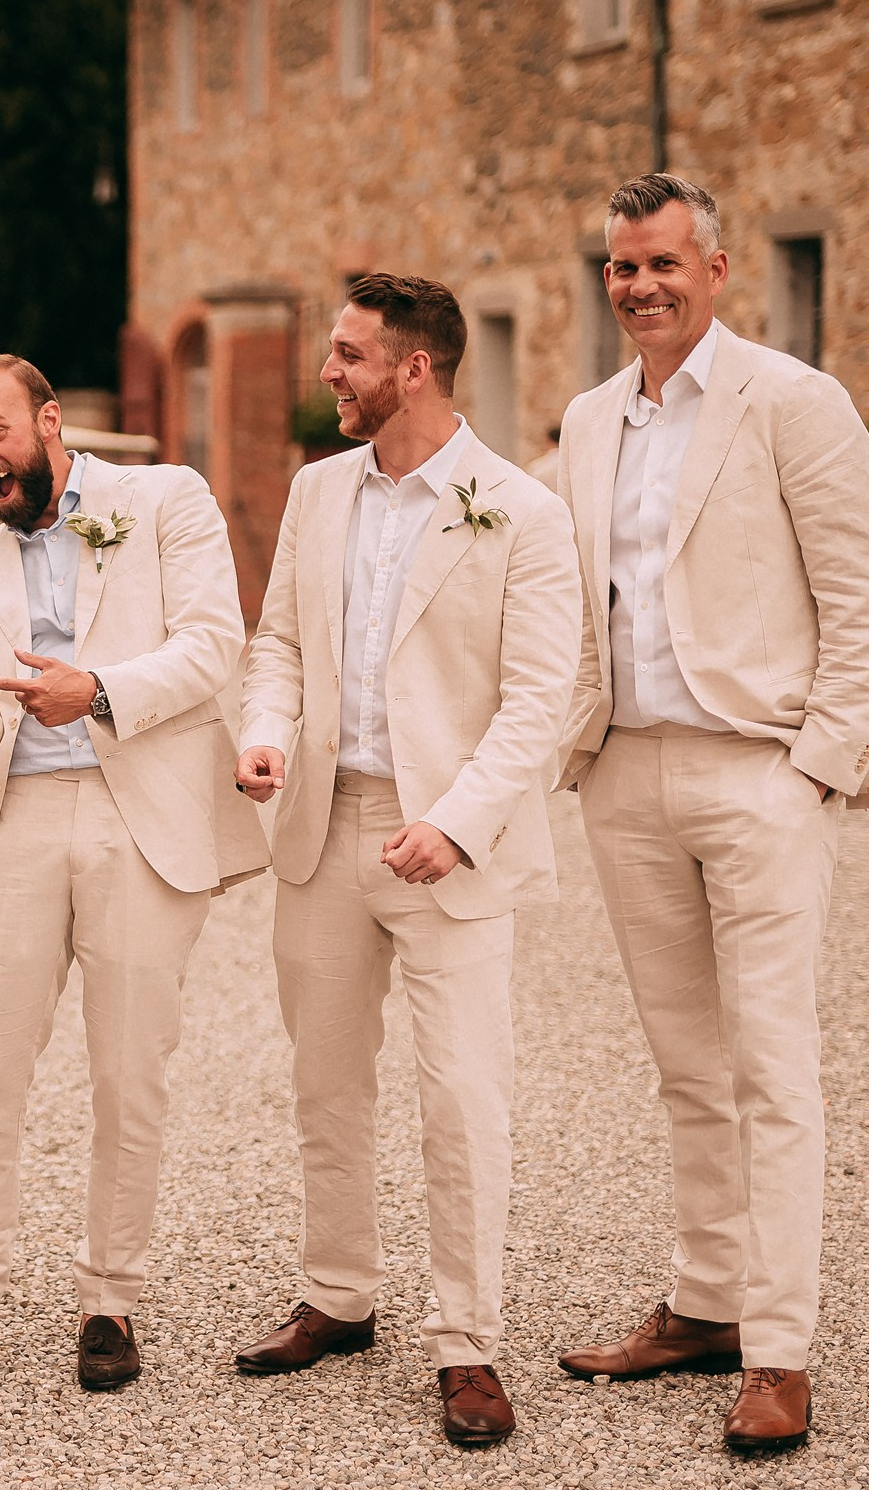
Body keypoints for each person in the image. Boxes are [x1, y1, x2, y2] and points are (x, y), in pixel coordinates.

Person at [549, 174, 869, 1454]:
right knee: (687, 1067)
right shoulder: (589, 421)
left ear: (716, 266)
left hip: (758, 768)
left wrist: (813, 767)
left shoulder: (795, 402)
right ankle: (704, 1300)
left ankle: (780, 1348)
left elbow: (866, 598)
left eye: (662, 263)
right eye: (621, 267)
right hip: (626, 773)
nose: (641, 285)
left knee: (772, 1067)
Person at [232, 275, 579, 1447]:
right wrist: (266, 736)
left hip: (450, 844)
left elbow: (542, 699)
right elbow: (276, 642)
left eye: (347, 355)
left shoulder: (520, 511)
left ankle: (467, 1344)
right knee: (326, 1079)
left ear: (414, 367)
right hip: (323, 825)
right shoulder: (319, 489)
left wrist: (460, 821)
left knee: (462, 1094)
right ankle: (338, 1293)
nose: (328, 372)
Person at [0, 354, 265, 1391]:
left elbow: (211, 646)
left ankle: (111, 1300)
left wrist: (94, 688)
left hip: (139, 815)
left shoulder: (165, 499)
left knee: (129, 1068)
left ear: (49, 421)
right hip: (21, 819)